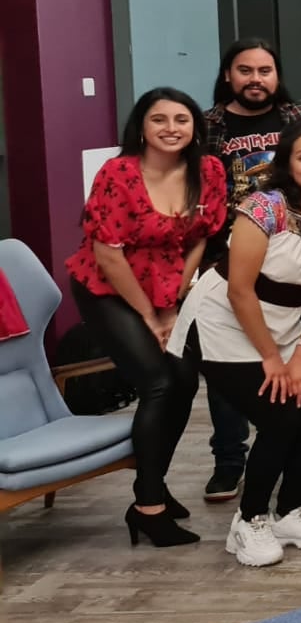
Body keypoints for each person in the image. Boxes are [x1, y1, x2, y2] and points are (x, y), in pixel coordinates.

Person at [178, 121, 301, 566]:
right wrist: (270, 359)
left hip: (284, 325)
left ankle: (292, 511)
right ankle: (248, 521)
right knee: (280, 418)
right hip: (222, 322)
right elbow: (239, 290)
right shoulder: (263, 208)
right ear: (287, 164)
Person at [66, 88, 227, 548]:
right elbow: (108, 255)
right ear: (142, 126)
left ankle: (152, 483)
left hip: (167, 285)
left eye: (182, 119)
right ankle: (148, 507)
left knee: (184, 379)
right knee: (157, 381)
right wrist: (152, 316)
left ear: (195, 126)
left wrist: (177, 299)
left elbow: (204, 235)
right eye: (160, 120)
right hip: (108, 287)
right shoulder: (119, 173)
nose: (171, 128)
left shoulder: (208, 170)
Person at [201, 40, 301, 503]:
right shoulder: (210, 124)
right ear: (228, 76)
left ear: (277, 75)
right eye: (245, 70)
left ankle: (294, 442)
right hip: (232, 255)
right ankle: (229, 460)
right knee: (233, 370)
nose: (256, 79)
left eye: (265, 70)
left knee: (289, 354)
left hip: (292, 256)